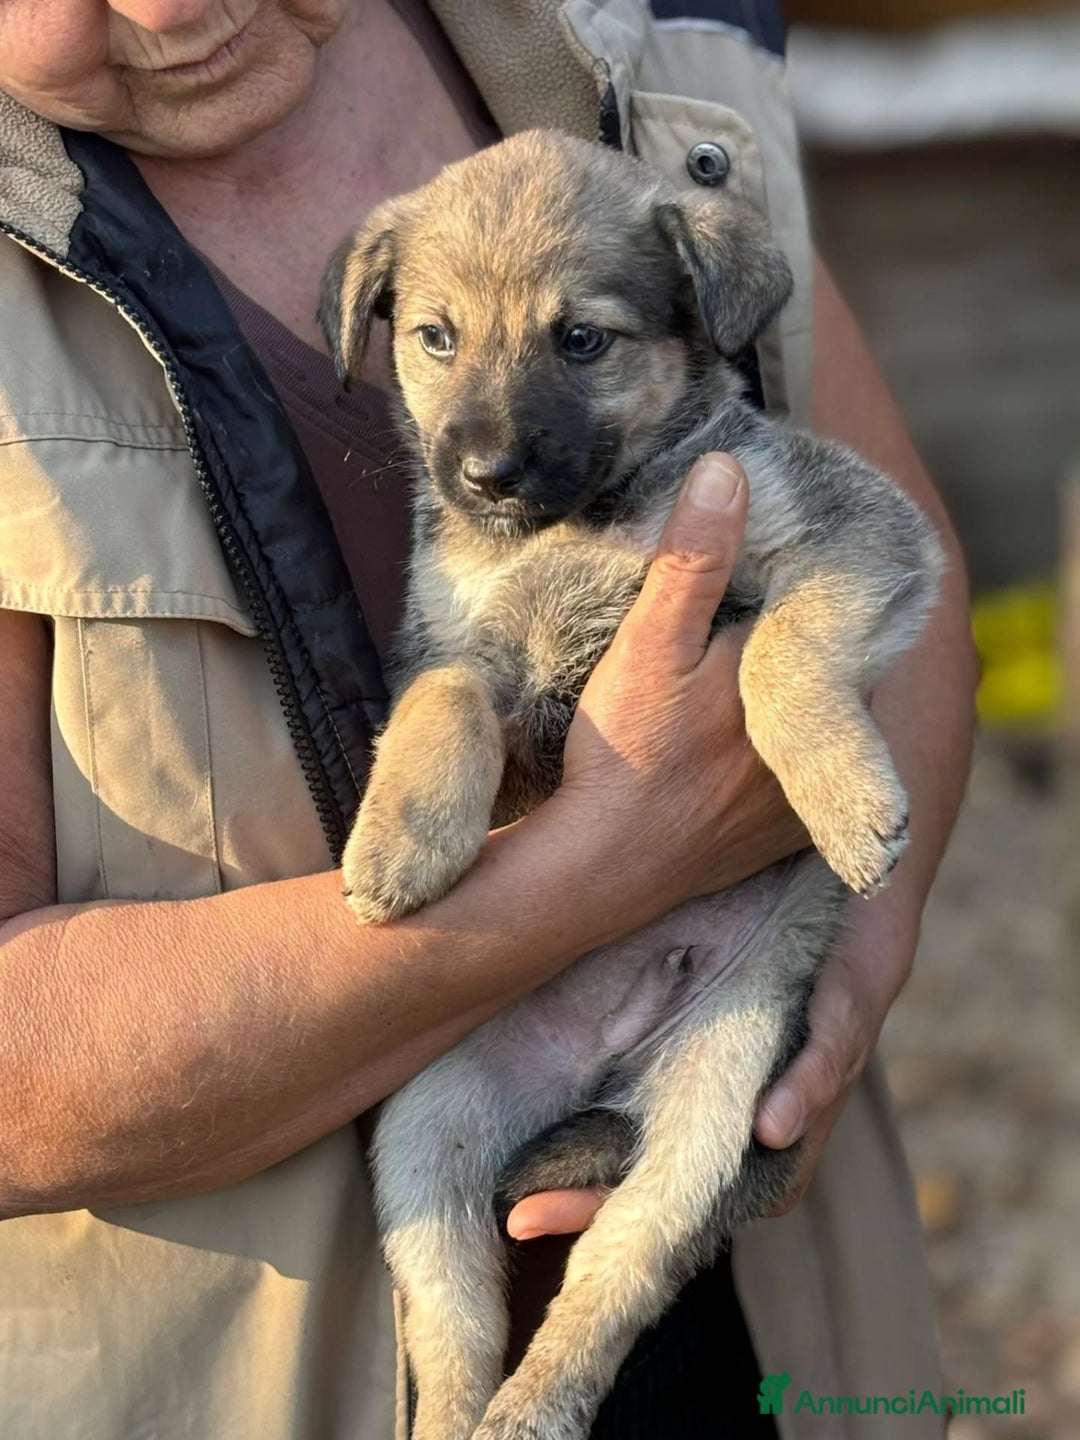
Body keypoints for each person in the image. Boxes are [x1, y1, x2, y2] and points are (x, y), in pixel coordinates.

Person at [0, 2, 977, 1437]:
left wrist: (852, 969)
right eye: (437, 343)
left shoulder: (636, 56)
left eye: (580, 339)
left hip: (769, 1304)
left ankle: (577, 1356)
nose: (164, 1)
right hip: (267, 1363)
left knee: (696, 1159)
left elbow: (898, 557)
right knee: (437, 1152)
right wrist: (610, 854)